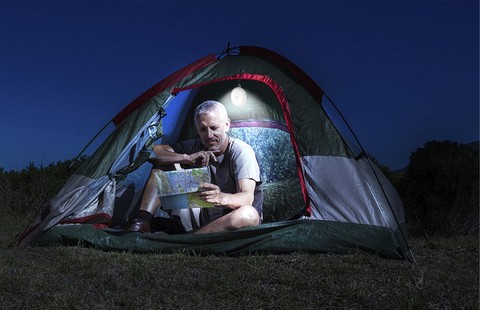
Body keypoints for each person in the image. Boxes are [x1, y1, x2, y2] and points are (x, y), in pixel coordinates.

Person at [128, 100, 263, 234]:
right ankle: (142, 222)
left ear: (227, 124)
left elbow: (247, 198)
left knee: (249, 214)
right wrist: (187, 158)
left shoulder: (241, 151)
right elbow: (152, 153)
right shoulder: (196, 146)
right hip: (203, 218)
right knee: (162, 167)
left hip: (232, 220)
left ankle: (187, 239)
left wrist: (221, 197)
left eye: (214, 128)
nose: (209, 135)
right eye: (203, 129)